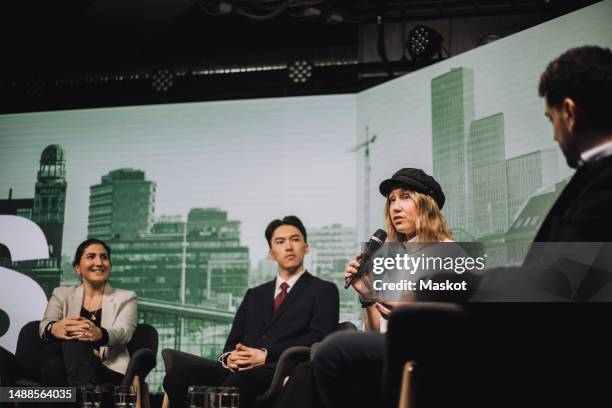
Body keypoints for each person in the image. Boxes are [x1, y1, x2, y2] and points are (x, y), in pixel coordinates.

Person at [312, 168, 454, 408]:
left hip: (424, 358)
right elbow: (376, 333)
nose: (395, 207)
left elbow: (450, 327)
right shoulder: (395, 264)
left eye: (405, 197)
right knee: (309, 364)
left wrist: (409, 314)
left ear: (427, 204)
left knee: (331, 351)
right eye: (391, 200)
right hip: (393, 353)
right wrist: (368, 296)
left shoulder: (447, 253)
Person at [163, 215, 339, 408]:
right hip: (238, 371)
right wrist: (230, 357)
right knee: (176, 377)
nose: (288, 246)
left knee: (236, 385)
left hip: (279, 370)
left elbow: (320, 339)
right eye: (280, 242)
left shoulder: (324, 290)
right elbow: (232, 342)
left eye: (295, 239)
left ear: (306, 247)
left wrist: (266, 355)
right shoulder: (254, 295)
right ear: (271, 253)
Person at [38, 238, 137, 387]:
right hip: (66, 366)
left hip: (107, 368)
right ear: (77, 268)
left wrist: (99, 333)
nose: (99, 263)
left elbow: (124, 331)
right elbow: (45, 324)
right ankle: (85, 398)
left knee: (72, 344)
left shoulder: (126, 297)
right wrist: (54, 328)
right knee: (54, 366)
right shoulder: (61, 294)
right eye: (91, 257)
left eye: (104, 257)